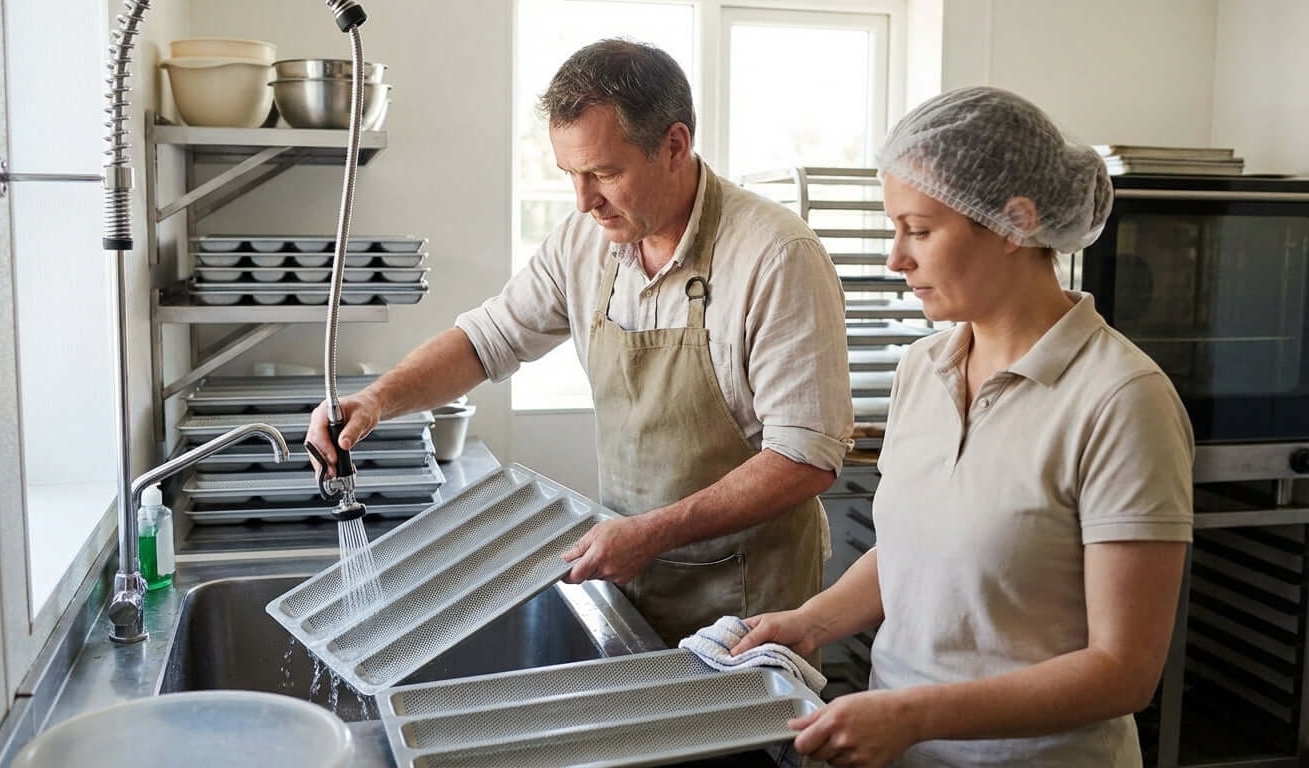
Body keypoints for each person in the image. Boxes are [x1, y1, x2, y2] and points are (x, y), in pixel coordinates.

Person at [306, 39, 854, 646]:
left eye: (605, 173)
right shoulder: (585, 242)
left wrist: (652, 532)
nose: (583, 201)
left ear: (674, 146)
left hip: (749, 603)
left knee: (739, 746)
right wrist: (378, 400)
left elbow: (805, 460)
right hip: (630, 576)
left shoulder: (776, 256)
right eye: (570, 174)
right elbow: (487, 339)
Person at [729, 86, 1194, 767]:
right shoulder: (926, 366)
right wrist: (809, 622)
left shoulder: (1122, 401)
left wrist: (914, 715)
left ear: (1013, 223)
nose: (896, 258)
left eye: (918, 230)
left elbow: (1124, 668)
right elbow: (920, 553)